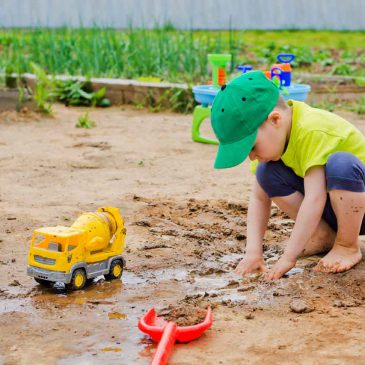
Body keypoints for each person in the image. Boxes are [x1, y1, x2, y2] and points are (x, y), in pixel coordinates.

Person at [210, 71, 365, 280]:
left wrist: (288, 258)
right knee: (266, 173)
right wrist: (253, 252)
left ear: (275, 119)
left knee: (341, 164)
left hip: (358, 208)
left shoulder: (312, 130)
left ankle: (347, 245)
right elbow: (258, 197)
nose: (252, 157)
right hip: (333, 207)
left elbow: (315, 198)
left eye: (252, 147)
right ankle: (321, 236)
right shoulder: (278, 141)